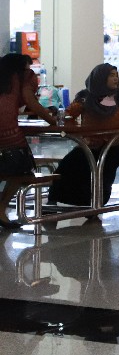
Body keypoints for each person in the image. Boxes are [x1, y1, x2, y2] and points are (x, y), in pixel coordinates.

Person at [49, 64, 119, 207]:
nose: (116, 78)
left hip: (116, 145)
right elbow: (69, 115)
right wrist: (74, 129)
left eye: (116, 75)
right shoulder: (86, 97)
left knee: (104, 168)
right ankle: (55, 199)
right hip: (91, 144)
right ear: (100, 78)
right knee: (69, 164)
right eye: (111, 75)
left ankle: (95, 203)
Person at [0, 55, 57, 228]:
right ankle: (1, 208)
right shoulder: (24, 76)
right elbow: (30, 101)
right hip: (8, 132)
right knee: (22, 169)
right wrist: (52, 120)